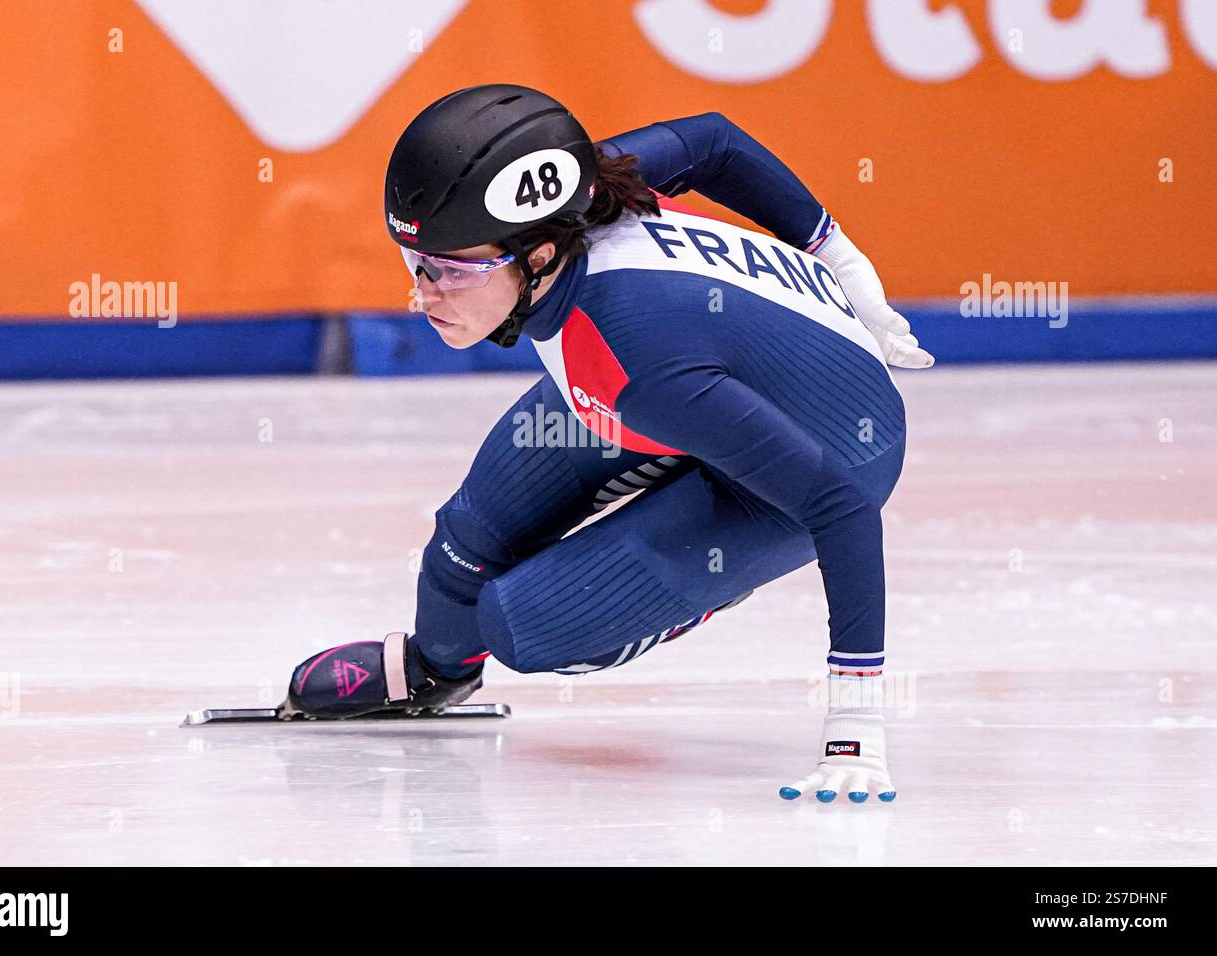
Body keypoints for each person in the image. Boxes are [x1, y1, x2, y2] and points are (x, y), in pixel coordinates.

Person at [284, 84, 934, 804]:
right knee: (462, 548)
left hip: (827, 451)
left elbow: (839, 507)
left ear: (535, 256)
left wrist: (854, 720)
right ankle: (439, 669)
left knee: (524, 625)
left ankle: (714, 571)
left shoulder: (633, 363)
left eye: (450, 271)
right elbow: (713, 140)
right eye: (417, 265)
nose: (423, 295)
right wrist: (832, 249)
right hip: (705, 370)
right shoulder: (577, 189)